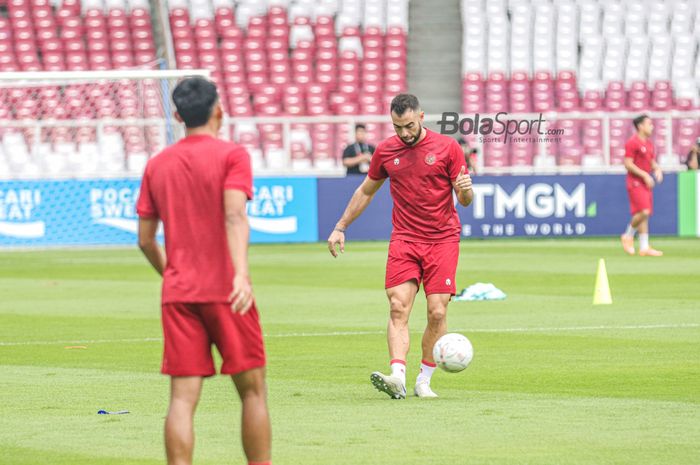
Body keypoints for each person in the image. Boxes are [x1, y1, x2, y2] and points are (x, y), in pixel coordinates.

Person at [136, 77, 271, 465]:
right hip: (229, 291)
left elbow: (145, 240)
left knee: (181, 398)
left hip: (179, 293)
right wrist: (241, 274)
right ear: (219, 110)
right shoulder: (233, 155)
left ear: (177, 115)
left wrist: (171, 274)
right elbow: (234, 215)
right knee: (252, 392)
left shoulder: (157, 164)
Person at [327, 94, 473, 399]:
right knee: (397, 307)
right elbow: (366, 191)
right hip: (405, 239)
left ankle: (424, 379)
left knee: (436, 312)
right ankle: (397, 376)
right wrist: (341, 226)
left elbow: (464, 200)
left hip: (442, 239)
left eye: (408, 125)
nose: (404, 133)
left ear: (420, 117)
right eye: (397, 127)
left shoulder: (447, 148)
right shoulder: (385, 151)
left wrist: (465, 192)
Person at [620, 114, 664, 257]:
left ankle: (644, 246)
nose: (652, 126)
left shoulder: (649, 144)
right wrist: (645, 175)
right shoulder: (632, 142)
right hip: (635, 182)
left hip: (645, 183)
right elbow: (628, 163)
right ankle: (627, 235)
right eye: (649, 124)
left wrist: (657, 169)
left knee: (645, 215)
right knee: (643, 211)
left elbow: (651, 162)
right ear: (640, 126)